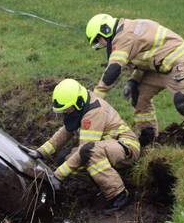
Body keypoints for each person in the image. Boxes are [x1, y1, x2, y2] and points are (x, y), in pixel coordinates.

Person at [86, 13, 184, 153]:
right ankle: (148, 135)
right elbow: (146, 56)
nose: (101, 44)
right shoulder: (124, 30)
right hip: (157, 66)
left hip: (177, 61)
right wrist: (134, 80)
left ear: (105, 30)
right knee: (138, 96)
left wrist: (95, 98)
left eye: (98, 39)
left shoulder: (124, 37)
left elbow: (113, 70)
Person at [32, 78, 141, 213]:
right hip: (105, 146)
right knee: (64, 159)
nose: (65, 113)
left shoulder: (94, 112)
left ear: (78, 102)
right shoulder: (81, 105)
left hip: (126, 147)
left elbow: (86, 149)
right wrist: (41, 152)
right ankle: (102, 184)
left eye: (67, 110)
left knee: (90, 152)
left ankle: (118, 195)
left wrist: (57, 176)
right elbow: (66, 131)